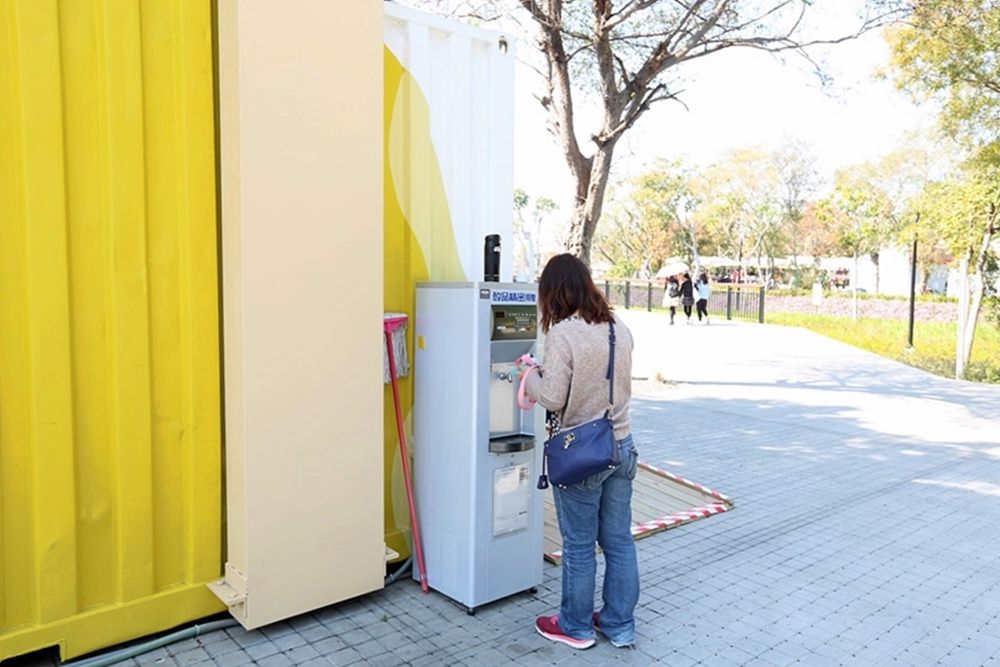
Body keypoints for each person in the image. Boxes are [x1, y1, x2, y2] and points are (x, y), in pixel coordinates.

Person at [520, 253, 640, 651]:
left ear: (553, 292)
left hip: (583, 452)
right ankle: (619, 625)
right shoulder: (618, 328)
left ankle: (575, 626)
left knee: (578, 543)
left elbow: (553, 398)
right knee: (619, 540)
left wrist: (530, 376)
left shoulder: (564, 334)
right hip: (621, 446)